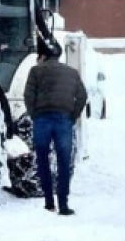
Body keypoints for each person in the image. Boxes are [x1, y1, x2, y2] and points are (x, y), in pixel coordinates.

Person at [23, 42, 88, 216]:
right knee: (64, 163)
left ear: (43, 57)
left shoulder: (36, 71)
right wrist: (72, 116)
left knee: (42, 161)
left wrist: (34, 115)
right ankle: (64, 205)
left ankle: (49, 202)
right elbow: (82, 96)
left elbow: (28, 95)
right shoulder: (72, 73)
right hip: (63, 120)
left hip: (42, 120)